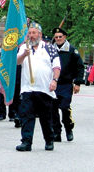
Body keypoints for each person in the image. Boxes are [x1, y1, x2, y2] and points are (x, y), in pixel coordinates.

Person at [16, 23, 61, 152]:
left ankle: (49, 139)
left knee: (45, 117)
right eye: (29, 33)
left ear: (40, 34)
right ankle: (26, 142)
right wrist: (24, 54)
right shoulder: (24, 47)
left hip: (44, 89)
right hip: (27, 88)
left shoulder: (49, 48)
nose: (31, 35)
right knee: (26, 116)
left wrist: (54, 80)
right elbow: (17, 62)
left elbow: (56, 66)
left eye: (34, 33)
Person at [52, 27, 84, 142]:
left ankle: (68, 128)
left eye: (60, 37)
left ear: (65, 37)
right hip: (53, 84)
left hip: (66, 84)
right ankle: (57, 132)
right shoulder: (51, 50)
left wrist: (78, 82)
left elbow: (80, 67)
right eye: (56, 37)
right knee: (53, 109)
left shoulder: (72, 50)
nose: (58, 39)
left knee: (65, 107)